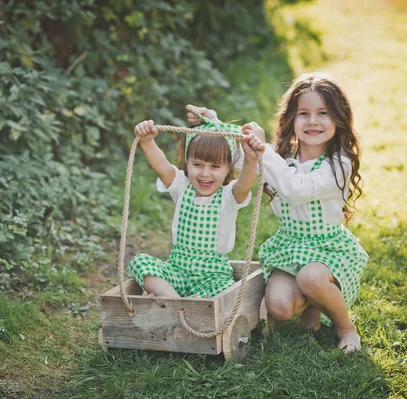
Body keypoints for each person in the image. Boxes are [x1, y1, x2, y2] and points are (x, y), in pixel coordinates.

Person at [186, 72, 369, 353]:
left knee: (310, 278)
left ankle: (345, 328)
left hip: (327, 247)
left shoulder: (338, 163)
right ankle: (311, 311)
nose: (313, 121)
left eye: (323, 113)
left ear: (338, 118)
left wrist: (265, 152)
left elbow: (297, 189)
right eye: (303, 113)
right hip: (291, 245)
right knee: (279, 307)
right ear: (291, 120)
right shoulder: (283, 158)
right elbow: (238, 158)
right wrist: (214, 123)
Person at [128, 114, 265, 300]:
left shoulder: (228, 197)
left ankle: (181, 302)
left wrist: (250, 159)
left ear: (227, 169)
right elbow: (161, 166)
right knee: (139, 262)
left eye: (215, 166)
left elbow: (245, 183)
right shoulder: (181, 187)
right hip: (177, 271)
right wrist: (147, 141)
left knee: (225, 289)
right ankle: (178, 303)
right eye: (197, 164)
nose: (205, 174)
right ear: (188, 162)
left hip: (212, 276)